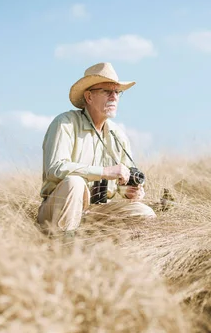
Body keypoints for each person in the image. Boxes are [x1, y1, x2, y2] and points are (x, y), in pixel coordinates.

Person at [37, 62, 156, 237]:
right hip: (57, 210)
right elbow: (55, 168)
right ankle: (63, 248)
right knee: (75, 183)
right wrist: (104, 172)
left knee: (145, 213)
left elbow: (125, 180)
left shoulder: (118, 135)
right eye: (107, 91)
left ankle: (123, 255)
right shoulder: (65, 123)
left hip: (99, 210)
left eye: (117, 92)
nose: (114, 97)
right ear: (89, 97)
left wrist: (130, 192)